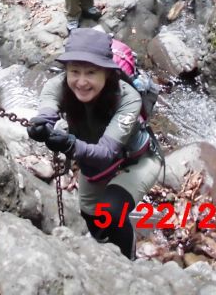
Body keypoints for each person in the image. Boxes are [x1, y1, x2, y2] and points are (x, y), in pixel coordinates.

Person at [27, 28, 161, 259]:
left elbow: (106, 152)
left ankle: (128, 261)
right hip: (95, 163)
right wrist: (39, 127)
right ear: (66, 71)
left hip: (137, 160)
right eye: (74, 71)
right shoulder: (57, 86)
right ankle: (103, 247)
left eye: (91, 72)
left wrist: (69, 145)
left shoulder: (127, 98)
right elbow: (47, 112)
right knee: (90, 213)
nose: (81, 81)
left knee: (112, 211)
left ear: (107, 73)